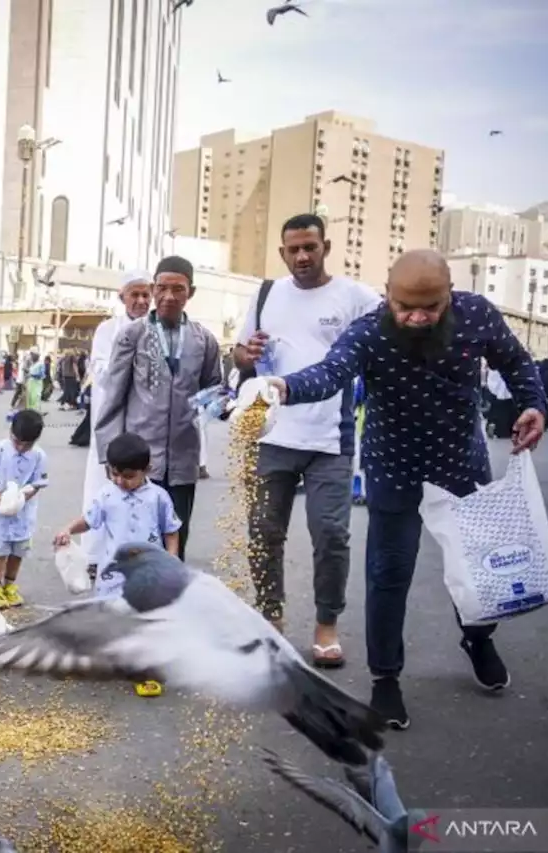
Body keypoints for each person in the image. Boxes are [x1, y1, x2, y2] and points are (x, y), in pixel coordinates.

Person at [263, 249, 545, 730]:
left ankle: (478, 638)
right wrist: (284, 387)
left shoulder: (477, 314)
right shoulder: (369, 330)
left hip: (460, 462)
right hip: (394, 468)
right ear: (388, 296)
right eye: (404, 307)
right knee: (389, 573)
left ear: (449, 295)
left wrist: (532, 403)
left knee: (473, 565)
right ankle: (385, 679)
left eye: (430, 307)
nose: (416, 317)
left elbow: (517, 363)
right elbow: (331, 373)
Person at [233, 214, 382, 667]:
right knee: (264, 532)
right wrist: (247, 353)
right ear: (282, 252)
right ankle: (270, 619)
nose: (302, 256)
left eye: (310, 247)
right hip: (269, 433)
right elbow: (238, 352)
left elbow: (386, 344)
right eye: (293, 249)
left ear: (326, 247)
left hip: (329, 440)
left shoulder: (357, 297)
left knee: (332, 534)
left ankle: (326, 625)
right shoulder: (265, 294)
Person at [96, 256, 222, 561]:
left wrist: (232, 404)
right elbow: (113, 395)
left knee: (176, 533)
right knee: (134, 534)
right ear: (153, 289)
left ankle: (170, 599)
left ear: (190, 292)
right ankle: (133, 601)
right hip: (138, 458)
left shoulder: (204, 340)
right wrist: (111, 454)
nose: (168, 296)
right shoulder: (133, 334)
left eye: (177, 289)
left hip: (182, 459)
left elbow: (213, 392)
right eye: (161, 288)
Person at [54, 431, 181, 697]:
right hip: (113, 573)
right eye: (115, 474)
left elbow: (171, 530)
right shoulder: (107, 496)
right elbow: (88, 520)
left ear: (146, 469)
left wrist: (172, 557)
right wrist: (67, 528)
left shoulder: (158, 497)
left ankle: (145, 669)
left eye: (128, 476)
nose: (120, 481)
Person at [80, 270, 154, 569]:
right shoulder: (107, 330)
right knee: (105, 483)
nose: (140, 300)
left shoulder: (159, 329)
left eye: (145, 295)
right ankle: (97, 555)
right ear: (121, 296)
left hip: (146, 418)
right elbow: (101, 370)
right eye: (134, 294)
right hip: (112, 418)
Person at [0, 409, 49, 610]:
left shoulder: (39, 456)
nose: (20, 447)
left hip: (23, 513)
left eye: (26, 445)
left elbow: (38, 483)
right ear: (10, 433)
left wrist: (22, 497)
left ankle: (10, 584)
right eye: (17, 442)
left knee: (18, 550)